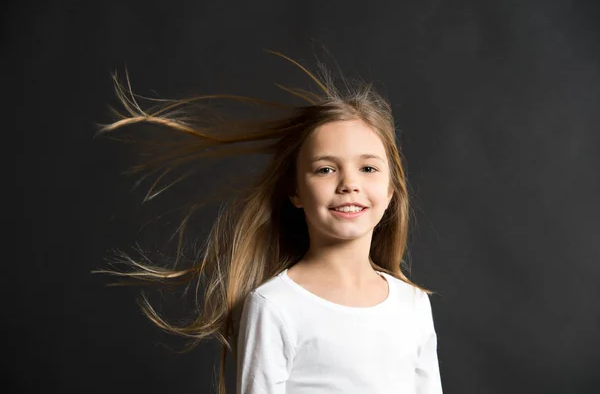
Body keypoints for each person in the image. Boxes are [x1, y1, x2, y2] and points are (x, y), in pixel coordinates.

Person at [94, 50, 443, 394]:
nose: (349, 183)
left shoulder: (413, 304)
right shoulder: (275, 306)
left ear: (391, 191)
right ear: (295, 191)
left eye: (368, 168)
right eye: (325, 169)